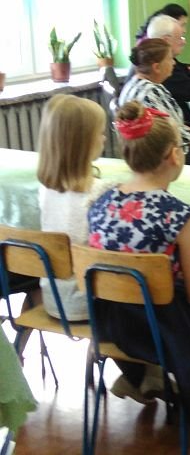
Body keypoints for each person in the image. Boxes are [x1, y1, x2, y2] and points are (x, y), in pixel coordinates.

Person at [87, 101, 190, 450]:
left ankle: (149, 381)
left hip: (113, 322)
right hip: (165, 330)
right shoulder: (180, 215)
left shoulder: (101, 201)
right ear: (174, 155)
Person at [36, 94, 108, 321]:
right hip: (91, 302)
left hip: (52, 298)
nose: (105, 138)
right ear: (84, 143)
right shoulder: (100, 191)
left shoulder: (44, 188)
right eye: (100, 133)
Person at [118, 37, 190, 168]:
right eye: (169, 59)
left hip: (143, 154)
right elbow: (179, 136)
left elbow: (177, 126)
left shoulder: (132, 84)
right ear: (157, 67)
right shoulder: (152, 92)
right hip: (162, 159)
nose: (173, 63)